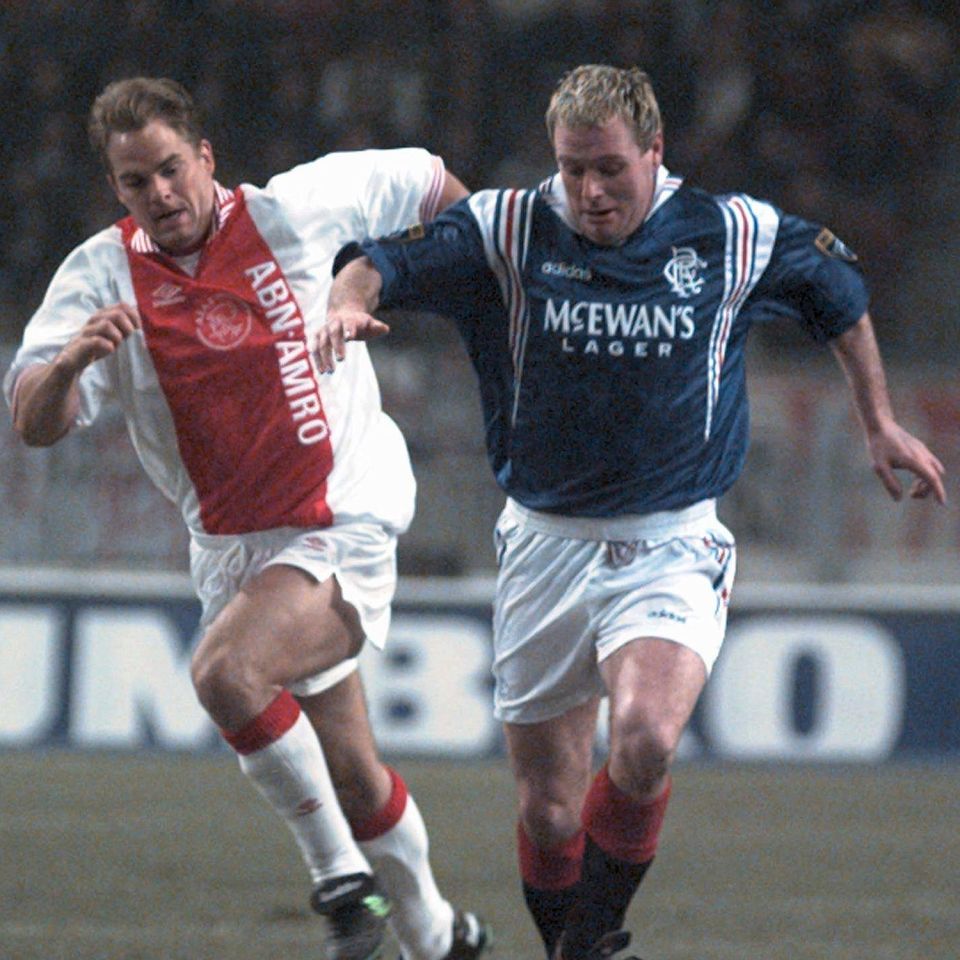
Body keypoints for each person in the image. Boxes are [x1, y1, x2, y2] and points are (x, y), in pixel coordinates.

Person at [317, 64, 947, 960]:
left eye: (610, 167)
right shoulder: (506, 228)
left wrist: (878, 421)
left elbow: (840, 294)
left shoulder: (730, 235)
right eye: (573, 168)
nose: (590, 190)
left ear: (657, 153)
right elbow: (382, 259)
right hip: (542, 542)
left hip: (671, 540)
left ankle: (591, 941)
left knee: (647, 737)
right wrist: (347, 301)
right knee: (548, 806)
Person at [3, 76, 492, 960]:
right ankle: (439, 937)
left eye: (169, 170)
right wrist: (72, 362)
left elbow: (440, 188)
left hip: (343, 516)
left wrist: (482, 310)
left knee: (226, 674)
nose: (159, 195)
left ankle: (345, 892)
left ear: (206, 158)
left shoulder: (300, 210)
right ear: (114, 188)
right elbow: (32, 424)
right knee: (352, 770)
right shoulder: (99, 276)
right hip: (235, 552)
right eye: (133, 183)